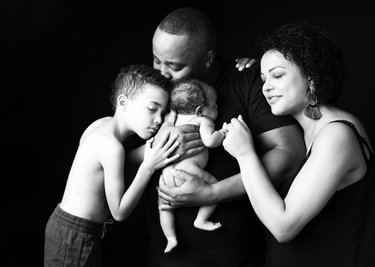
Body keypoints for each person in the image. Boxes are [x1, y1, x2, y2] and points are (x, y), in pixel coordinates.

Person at [222, 21, 375, 266]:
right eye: (263, 79)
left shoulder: (337, 135)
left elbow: (284, 227)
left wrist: (244, 154)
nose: (266, 87)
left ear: (312, 78)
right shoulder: (308, 130)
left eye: (278, 75)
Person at [142, 7, 306, 266]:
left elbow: (289, 154)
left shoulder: (246, 81)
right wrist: (160, 144)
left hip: (232, 257)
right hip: (163, 256)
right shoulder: (152, 88)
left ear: (207, 59)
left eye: (174, 66)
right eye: (156, 60)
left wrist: (211, 193)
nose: (161, 73)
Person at [44, 64, 181, 267]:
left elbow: (112, 166)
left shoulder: (101, 125)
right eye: (152, 109)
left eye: (163, 112)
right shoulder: (112, 147)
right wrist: (148, 167)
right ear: (124, 102)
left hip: (63, 225)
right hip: (76, 237)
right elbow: (119, 212)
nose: (159, 119)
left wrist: (156, 144)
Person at [159, 78, 227, 253]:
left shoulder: (173, 121)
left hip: (167, 174)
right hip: (189, 171)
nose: (217, 107)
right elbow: (211, 141)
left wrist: (167, 122)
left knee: (164, 205)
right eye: (214, 105)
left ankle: (170, 238)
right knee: (215, 188)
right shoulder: (203, 120)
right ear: (199, 111)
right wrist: (223, 132)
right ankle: (201, 220)